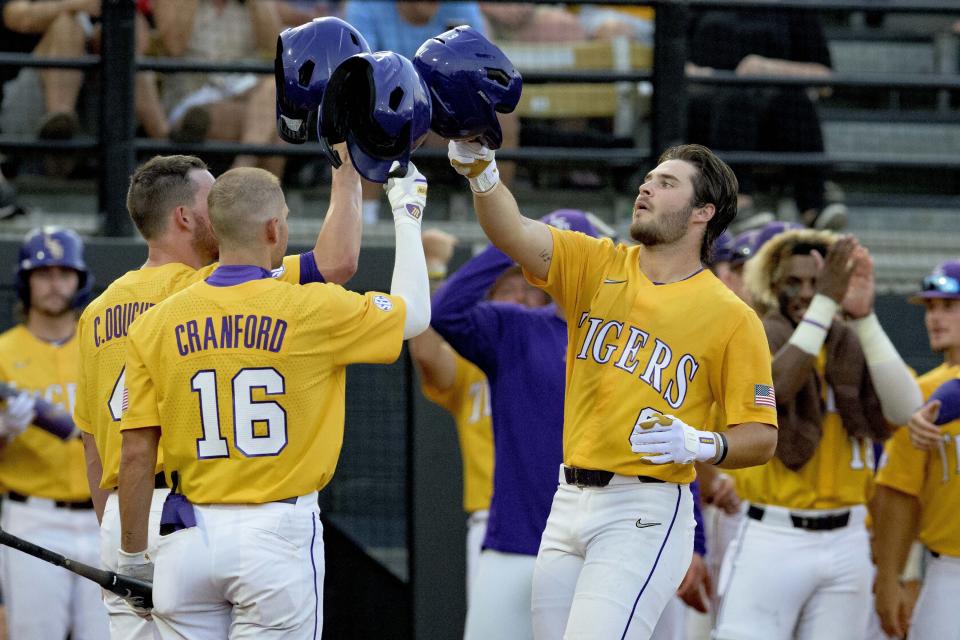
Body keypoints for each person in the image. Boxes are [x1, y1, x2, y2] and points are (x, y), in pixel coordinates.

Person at [447, 140, 779, 638]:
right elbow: (511, 232)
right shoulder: (597, 263)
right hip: (567, 499)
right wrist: (483, 173)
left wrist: (702, 443)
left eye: (667, 183)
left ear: (702, 213)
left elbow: (762, 436)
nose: (647, 185)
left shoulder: (732, 317)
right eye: (649, 178)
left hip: (644, 507)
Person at [116, 163, 429, 638]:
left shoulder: (155, 322)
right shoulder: (313, 307)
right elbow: (415, 316)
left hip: (185, 537)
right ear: (273, 228)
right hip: (275, 535)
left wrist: (132, 559)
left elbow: (136, 453)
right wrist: (407, 212)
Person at [75, 150, 362, 638]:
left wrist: (122, 537)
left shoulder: (96, 311)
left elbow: (91, 442)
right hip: (192, 514)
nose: (228, 208)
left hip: (127, 516)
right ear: (184, 217)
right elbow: (338, 261)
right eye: (215, 198)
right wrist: (347, 170)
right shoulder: (214, 287)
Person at [711, 229, 922, 640]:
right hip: (773, 535)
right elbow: (774, 390)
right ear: (772, 285)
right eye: (796, 281)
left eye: (818, 282)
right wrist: (826, 303)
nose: (807, 292)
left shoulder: (850, 342)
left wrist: (863, 315)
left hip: (848, 538)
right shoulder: (757, 335)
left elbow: (905, 409)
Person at [408, 228, 548, 606]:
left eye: (529, 289)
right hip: (494, 518)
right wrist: (431, 267)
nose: (519, 298)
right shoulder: (473, 362)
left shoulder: (563, 353)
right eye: (507, 290)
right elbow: (425, 352)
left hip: (565, 517)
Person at [0, 226, 108, 638]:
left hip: (103, 514)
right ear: (25, 281)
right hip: (32, 516)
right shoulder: (4, 352)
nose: (54, 283)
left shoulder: (99, 346)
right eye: (43, 273)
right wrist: (5, 429)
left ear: (80, 279)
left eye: (64, 272)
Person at [345, 0, 519, 223]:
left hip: (444, 112)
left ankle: (500, 219)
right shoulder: (365, 6)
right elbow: (363, 73)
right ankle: (364, 220)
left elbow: (484, 68)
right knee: (369, 108)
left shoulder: (463, 7)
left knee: (503, 117)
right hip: (391, 104)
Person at [685, 7, 846, 231]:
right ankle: (738, 203)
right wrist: (708, 75)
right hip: (710, 109)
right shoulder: (700, 6)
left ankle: (814, 209)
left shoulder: (794, 9)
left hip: (773, 116)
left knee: (797, 101)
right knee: (736, 97)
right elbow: (672, 59)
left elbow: (825, 79)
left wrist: (769, 68)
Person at [873, 259, 960, 639]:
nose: (934, 318)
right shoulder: (921, 394)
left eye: (949, 306)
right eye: (931, 307)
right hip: (949, 572)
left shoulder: (934, 397)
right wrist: (892, 577)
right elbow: (898, 492)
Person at [150, 0, 286, 176]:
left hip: (244, 91)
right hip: (192, 98)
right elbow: (174, 47)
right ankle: (256, 191)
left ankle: (240, 171)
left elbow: (274, 48)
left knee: (275, 83)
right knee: (276, 132)